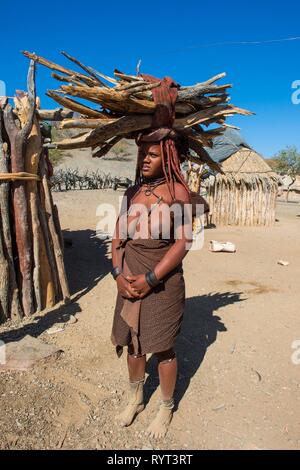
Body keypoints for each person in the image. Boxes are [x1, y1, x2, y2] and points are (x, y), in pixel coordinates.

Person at [110, 76, 195, 439]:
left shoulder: (179, 193)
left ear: (169, 156)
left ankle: (165, 407)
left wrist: (150, 278)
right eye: (142, 152)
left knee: (162, 348)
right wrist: (117, 272)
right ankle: (135, 399)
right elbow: (116, 235)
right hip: (127, 279)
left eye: (153, 153)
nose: (145, 159)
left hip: (161, 284)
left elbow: (183, 243)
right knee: (132, 342)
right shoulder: (132, 192)